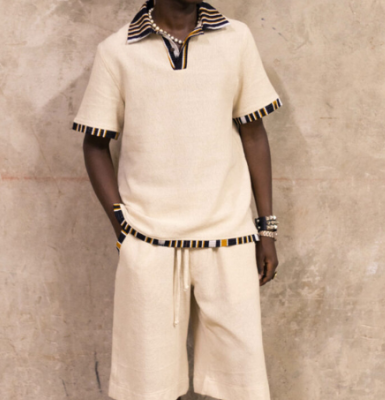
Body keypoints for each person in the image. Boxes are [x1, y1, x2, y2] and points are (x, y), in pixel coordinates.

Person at [71, 0, 282, 399]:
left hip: (229, 235)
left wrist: (266, 229)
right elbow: (95, 144)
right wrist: (122, 227)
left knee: (240, 384)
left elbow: (254, 134)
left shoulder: (236, 39)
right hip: (149, 240)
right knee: (147, 385)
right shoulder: (117, 51)